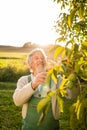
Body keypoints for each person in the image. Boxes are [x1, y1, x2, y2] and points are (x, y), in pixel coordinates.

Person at [13, 48, 61, 130]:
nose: (40, 60)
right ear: (30, 64)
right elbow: (17, 101)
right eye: (37, 58)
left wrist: (73, 78)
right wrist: (33, 84)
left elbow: (73, 94)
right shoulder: (24, 80)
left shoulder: (56, 79)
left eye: (43, 58)